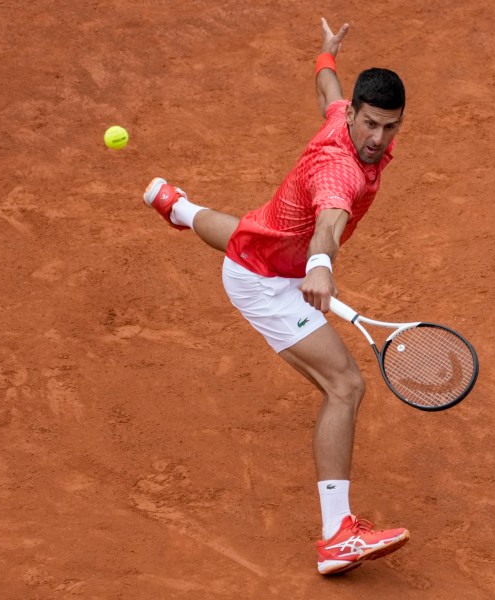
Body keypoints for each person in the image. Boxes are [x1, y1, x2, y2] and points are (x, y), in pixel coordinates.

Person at [142, 18, 408, 576]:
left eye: (389, 126)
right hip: (268, 280)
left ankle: (177, 206)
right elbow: (330, 221)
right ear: (357, 115)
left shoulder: (344, 117)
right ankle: (337, 535)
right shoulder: (343, 171)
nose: (377, 139)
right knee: (345, 385)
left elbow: (326, 92)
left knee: (245, 231)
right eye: (370, 124)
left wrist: (325, 55)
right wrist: (318, 263)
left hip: (265, 241)